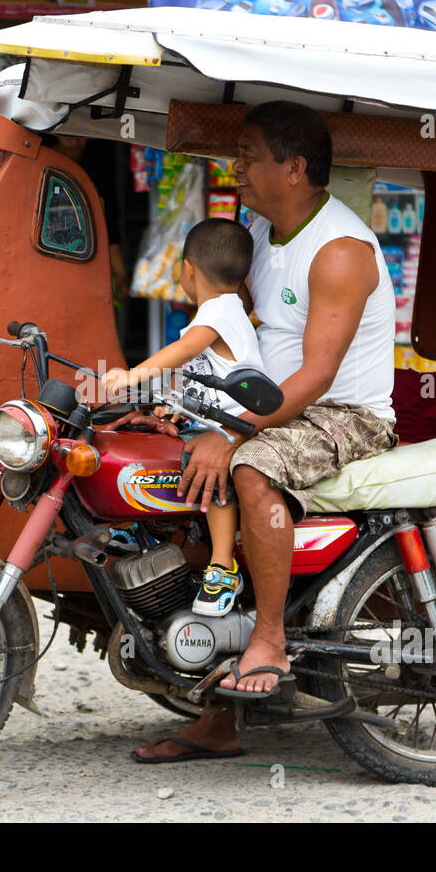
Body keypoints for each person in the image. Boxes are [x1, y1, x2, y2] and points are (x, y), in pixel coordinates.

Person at [130, 100, 397, 763]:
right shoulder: (259, 231)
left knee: (246, 469)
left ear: (295, 167)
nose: (237, 166)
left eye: (249, 154)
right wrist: (192, 403)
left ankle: (270, 638)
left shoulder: (339, 251)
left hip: (345, 416)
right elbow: (236, 335)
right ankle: (219, 711)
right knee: (180, 473)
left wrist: (234, 433)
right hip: (276, 407)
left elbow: (314, 377)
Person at [103, 218, 264, 616]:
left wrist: (133, 374)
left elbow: (189, 348)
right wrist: (172, 405)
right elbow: (201, 375)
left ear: (187, 268)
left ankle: (224, 565)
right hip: (206, 420)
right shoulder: (224, 310)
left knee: (215, 479)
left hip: (229, 431)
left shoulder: (221, 310)